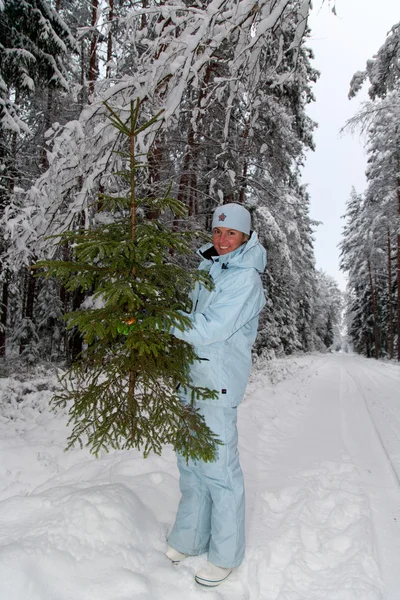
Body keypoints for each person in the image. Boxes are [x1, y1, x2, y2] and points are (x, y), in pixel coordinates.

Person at [166, 203, 267, 587]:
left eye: (231, 234)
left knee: (220, 470)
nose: (222, 240)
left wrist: (164, 322)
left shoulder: (245, 280)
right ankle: (190, 538)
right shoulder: (209, 269)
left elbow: (209, 328)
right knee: (191, 466)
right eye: (217, 232)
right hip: (191, 378)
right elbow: (192, 318)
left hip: (219, 381)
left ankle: (226, 554)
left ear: (245, 237)